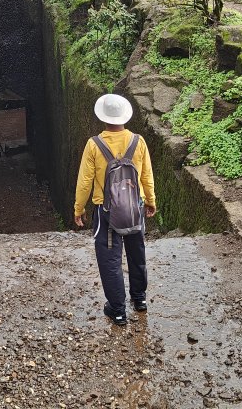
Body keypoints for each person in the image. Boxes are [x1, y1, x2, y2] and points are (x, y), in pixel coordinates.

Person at [73, 93, 156, 326]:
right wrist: (150, 200)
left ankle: (118, 310)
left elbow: (84, 181)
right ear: (125, 116)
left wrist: (79, 208)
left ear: (103, 117)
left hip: (106, 210)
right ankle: (139, 300)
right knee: (137, 252)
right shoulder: (138, 142)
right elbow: (147, 175)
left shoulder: (94, 145)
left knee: (110, 259)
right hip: (134, 207)